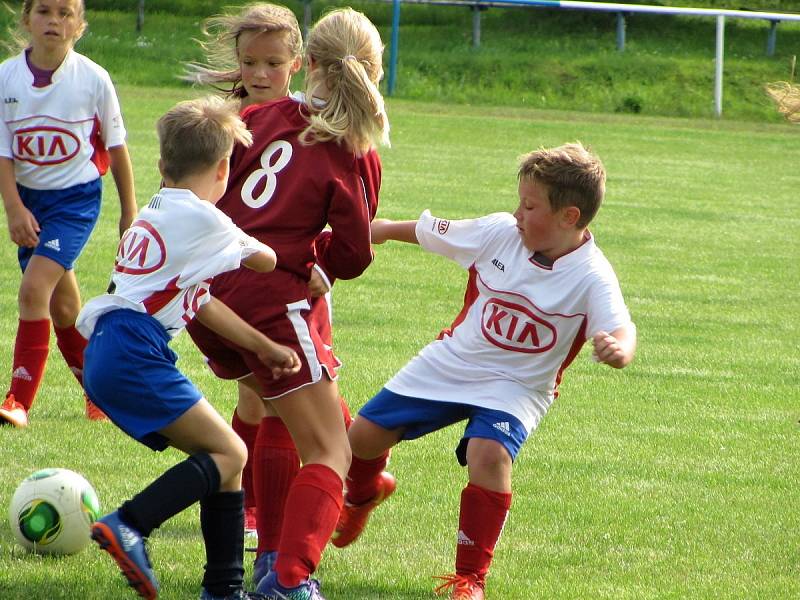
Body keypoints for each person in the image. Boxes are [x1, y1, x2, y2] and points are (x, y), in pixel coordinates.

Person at [332, 142, 637, 600]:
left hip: (518, 387)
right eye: (519, 201)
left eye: (529, 206)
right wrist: (376, 231)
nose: (517, 213)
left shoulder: (592, 274)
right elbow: (428, 230)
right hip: (455, 361)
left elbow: (620, 324)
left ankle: (469, 579)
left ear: (569, 217)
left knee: (488, 453)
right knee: (362, 439)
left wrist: (620, 347)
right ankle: (362, 494)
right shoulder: (499, 233)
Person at [185, 8, 388, 599]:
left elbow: (211, 194)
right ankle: (290, 582)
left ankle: (269, 558)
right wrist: (318, 257)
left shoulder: (259, 114)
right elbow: (354, 252)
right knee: (332, 448)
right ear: (373, 72)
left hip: (210, 294)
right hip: (271, 298)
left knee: (273, 410)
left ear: (310, 65)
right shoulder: (352, 146)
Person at [78, 95, 300, 600]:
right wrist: (263, 244)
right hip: (135, 351)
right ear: (224, 169)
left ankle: (223, 590)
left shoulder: (153, 214)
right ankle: (130, 523)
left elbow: (198, 303)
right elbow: (264, 260)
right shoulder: (205, 221)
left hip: (110, 350)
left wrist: (262, 345)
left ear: (161, 166)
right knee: (232, 451)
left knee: (223, 460)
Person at [0, 0, 137, 428]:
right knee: (64, 308)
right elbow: (3, 153)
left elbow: (116, 148)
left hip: (75, 202)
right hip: (30, 203)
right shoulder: (6, 77)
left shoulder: (94, 79)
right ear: (26, 20)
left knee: (32, 291)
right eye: (43, 11)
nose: (53, 21)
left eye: (65, 13)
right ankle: (102, 395)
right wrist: (15, 209)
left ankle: (18, 401)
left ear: (80, 25)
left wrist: (128, 211)